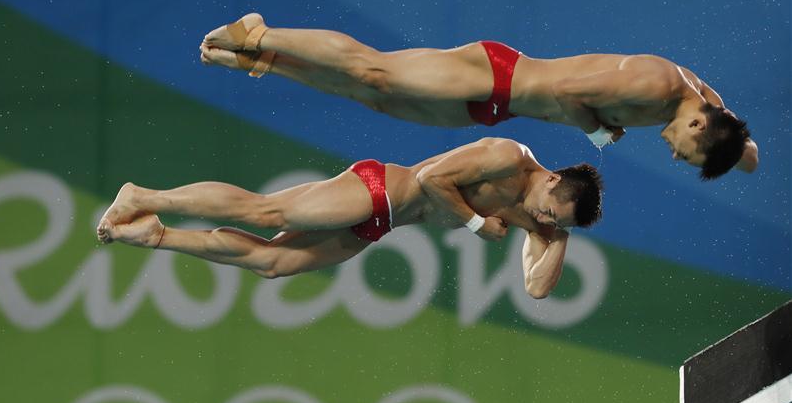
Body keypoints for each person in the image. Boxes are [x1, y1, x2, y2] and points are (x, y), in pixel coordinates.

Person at [200, 14, 758, 179]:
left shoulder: (698, 105)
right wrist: (592, 130)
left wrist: (744, 153)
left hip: (496, 106)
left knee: (373, 100)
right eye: (692, 156)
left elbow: (738, 142)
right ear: (696, 128)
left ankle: (269, 63)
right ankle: (260, 33)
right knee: (375, 73)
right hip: (495, 76)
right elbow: (564, 90)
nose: (677, 158)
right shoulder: (656, 88)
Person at [96, 138, 603, 299]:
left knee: (272, 265)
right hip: (376, 190)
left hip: (380, 225)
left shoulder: (543, 217)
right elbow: (430, 181)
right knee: (265, 209)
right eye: (550, 210)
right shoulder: (506, 157)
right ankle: (145, 195)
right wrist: (474, 223)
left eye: (553, 220)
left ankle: (156, 235)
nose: (542, 217)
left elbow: (536, 289)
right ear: (553, 179)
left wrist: (560, 235)